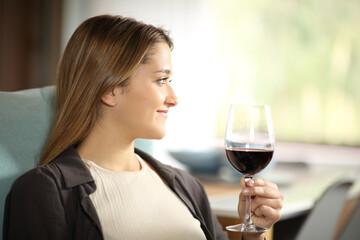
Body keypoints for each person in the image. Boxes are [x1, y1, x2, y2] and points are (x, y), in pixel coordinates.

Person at [3, 15, 283, 240]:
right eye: (162, 80)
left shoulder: (185, 186)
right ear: (111, 89)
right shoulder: (43, 191)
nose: (173, 99)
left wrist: (254, 231)